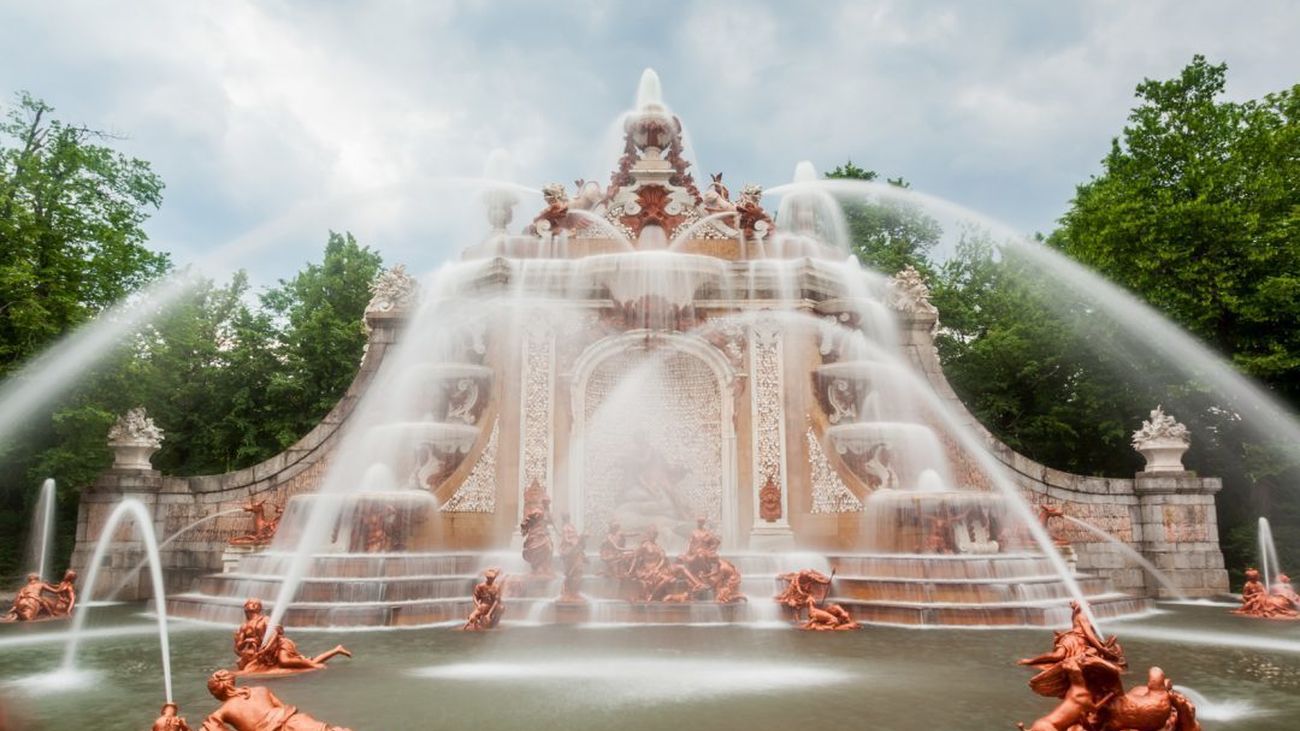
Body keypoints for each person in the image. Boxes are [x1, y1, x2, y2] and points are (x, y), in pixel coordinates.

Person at [200, 670, 352, 731]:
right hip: (296, 722)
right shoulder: (261, 689)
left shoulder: (222, 712)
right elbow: (282, 707)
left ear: (216, 693)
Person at [233, 598, 268, 669]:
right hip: (252, 651)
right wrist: (246, 641)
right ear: (245, 607)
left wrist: (265, 647)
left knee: (284, 661)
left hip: (267, 650)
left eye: (257, 604)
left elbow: (274, 634)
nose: (254, 605)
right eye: (250, 603)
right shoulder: (244, 626)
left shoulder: (265, 619)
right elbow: (238, 647)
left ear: (259, 608)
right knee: (242, 664)